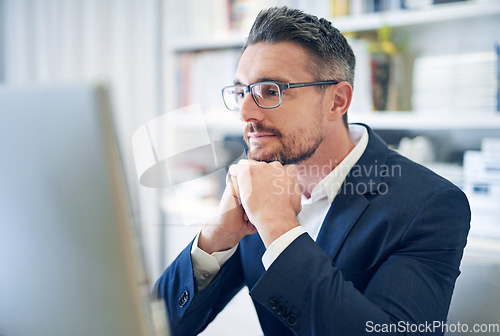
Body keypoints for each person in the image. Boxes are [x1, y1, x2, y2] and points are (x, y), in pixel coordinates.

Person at [154, 6, 470, 336]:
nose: (245, 112)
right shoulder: (254, 186)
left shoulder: (429, 205)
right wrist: (215, 238)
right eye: (241, 92)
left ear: (336, 101)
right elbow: (155, 326)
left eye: (270, 90)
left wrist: (279, 227)